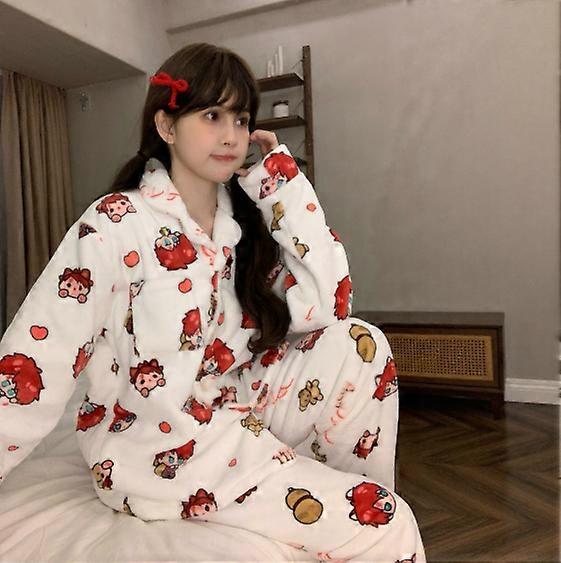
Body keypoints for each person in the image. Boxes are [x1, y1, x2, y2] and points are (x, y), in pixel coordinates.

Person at [0, 42, 426, 561]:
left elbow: (330, 302)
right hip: (157, 454)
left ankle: (333, 516)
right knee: (389, 523)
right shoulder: (116, 223)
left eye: (241, 119)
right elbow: (35, 362)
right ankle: (341, 522)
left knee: (360, 343)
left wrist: (280, 182)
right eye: (211, 115)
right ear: (166, 126)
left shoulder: (240, 222)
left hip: (231, 408)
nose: (231, 135)